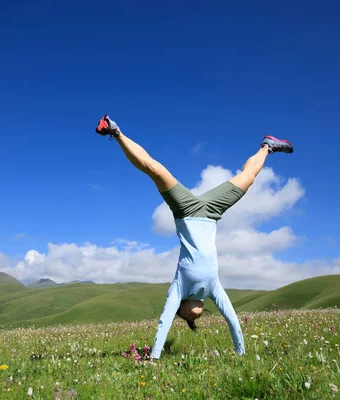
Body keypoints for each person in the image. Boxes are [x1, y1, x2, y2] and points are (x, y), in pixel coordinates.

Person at [95, 115, 293, 359]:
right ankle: (267, 146)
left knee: (153, 169)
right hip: (211, 212)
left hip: (186, 211)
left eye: (187, 317)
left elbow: (163, 322)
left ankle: (115, 132)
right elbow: (232, 320)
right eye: (194, 318)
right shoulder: (212, 288)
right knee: (248, 178)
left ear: (181, 308)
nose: (193, 316)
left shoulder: (179, 288)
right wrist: (242, 355)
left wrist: (154, 357)